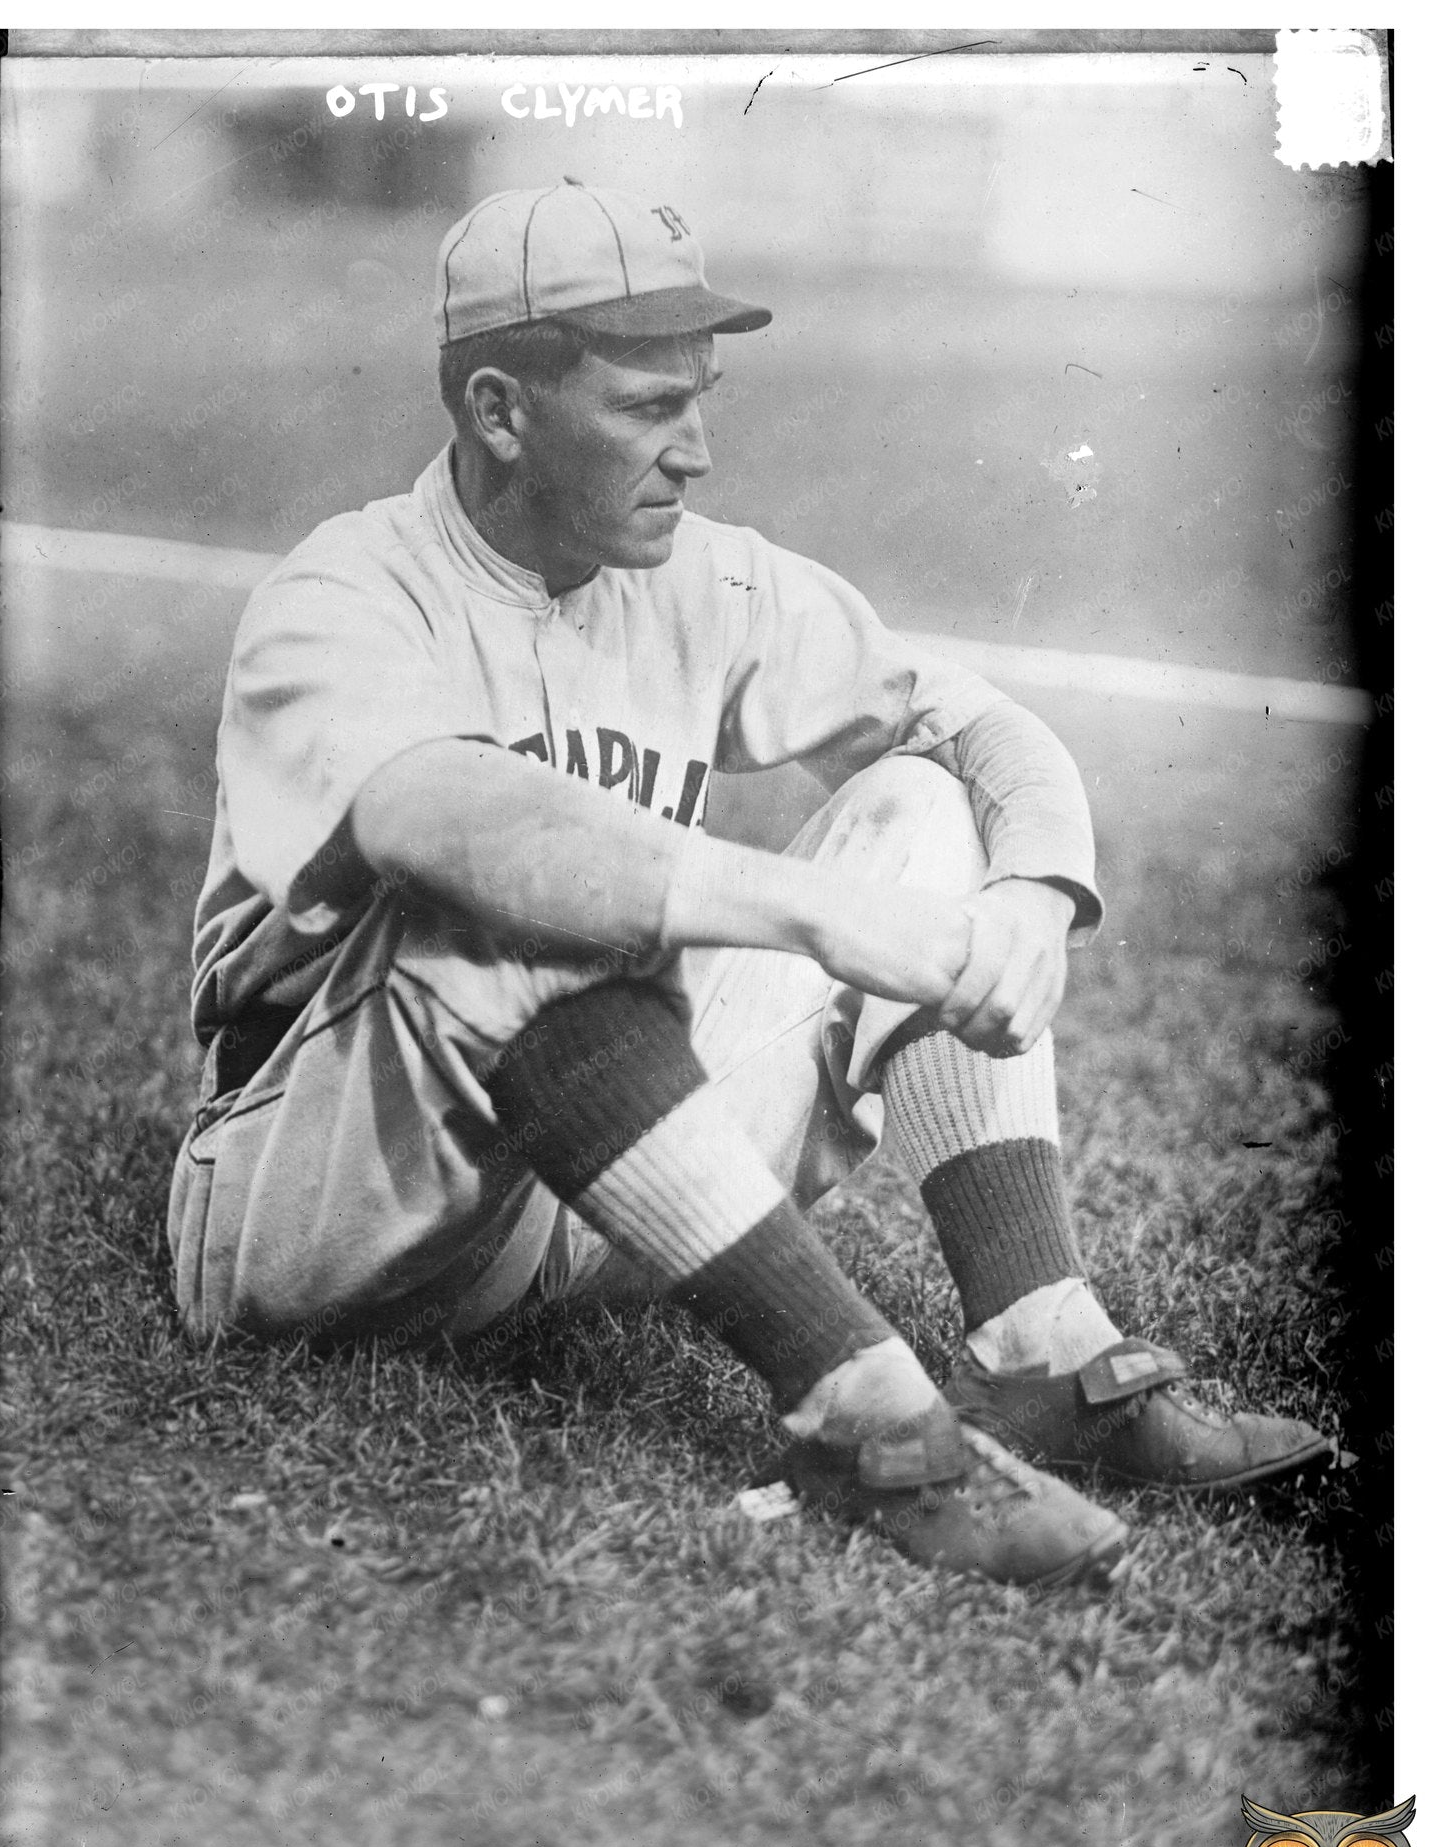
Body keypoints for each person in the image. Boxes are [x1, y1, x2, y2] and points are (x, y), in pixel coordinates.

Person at [168, 179, 1331, 1590]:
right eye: (647, 407)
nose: (697, 451)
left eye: (699, 397)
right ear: (496, 412)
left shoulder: (702, 584)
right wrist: (815, 913)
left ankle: (1046, 1355)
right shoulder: (345, 592)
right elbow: (446, 816)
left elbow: (981, 733)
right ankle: (872, 1426)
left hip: (585, 1177)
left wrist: (1025, 895)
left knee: (916, 799)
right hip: (333, 1204)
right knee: (526, 889)